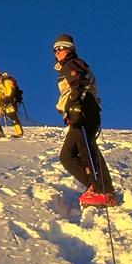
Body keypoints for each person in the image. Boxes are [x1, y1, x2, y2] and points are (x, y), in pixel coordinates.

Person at [52, 33, 116, 207]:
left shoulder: (72, 63)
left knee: (82, 150)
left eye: (61, 48)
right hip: (83, 109)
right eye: (55, 50)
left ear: (70, 49)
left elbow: (78, 84)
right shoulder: (68, 65)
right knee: (72, 153)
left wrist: (75, 106)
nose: (57, 52)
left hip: (83, 109)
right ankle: (101, 189)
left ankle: (101, 190)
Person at [0, 68, 24, 138]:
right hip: (2, 103)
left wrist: (4, 103)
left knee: (11, 115)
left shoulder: (6, 80)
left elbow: (10, 93)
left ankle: (19, 133)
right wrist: (0, 104)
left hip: (10, 101)